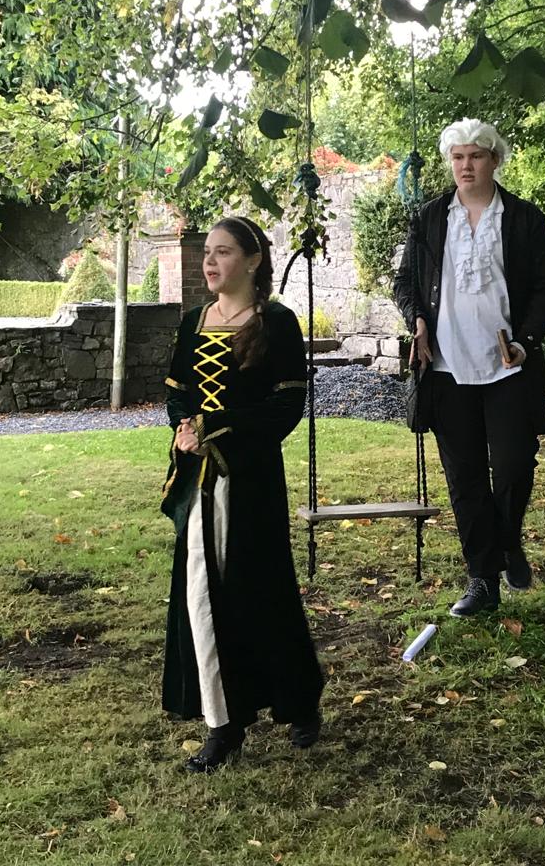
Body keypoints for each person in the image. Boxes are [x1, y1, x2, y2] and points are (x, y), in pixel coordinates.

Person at [160, 216, 323, 772]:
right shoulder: (192, 322)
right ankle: (223, 723)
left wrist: (216, 430)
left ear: (252, 260)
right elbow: (177, 394)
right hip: (198, 482)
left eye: (223, 252)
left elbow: (285, 407)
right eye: (207, 252)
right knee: (201, 593)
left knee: (263, 588)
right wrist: (185, 428)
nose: (210, 262)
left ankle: (299, 697)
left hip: (250, 477)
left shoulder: (276, 323)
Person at [394, 119, 545, 617]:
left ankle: (508, 540)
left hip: (509, 366)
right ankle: (482, 580)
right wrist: (418, 321)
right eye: (458, 157)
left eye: (477, 157)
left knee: (512, 465)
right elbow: (406, 284)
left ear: (494, 160)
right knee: (465, 477)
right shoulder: (429, 218)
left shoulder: (524, 219)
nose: (466, 166)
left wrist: (526, 343)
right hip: (446, 368)